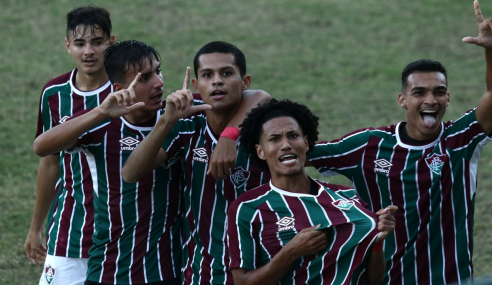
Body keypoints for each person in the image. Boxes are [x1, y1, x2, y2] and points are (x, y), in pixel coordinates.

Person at [33, 40, 269, 285]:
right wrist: (101, 113)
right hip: (108, 266)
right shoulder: (101, 121)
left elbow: (257, 96)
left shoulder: (183, 114)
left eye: (158, 71)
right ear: (120, 87)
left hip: (166, 269)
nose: (159, 83)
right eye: (144, 78)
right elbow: (42, 147)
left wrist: (228, 135)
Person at [307, 1, 492, 283]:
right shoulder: (368, 146)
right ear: (402, 100)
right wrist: (232, 135)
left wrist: (491, 51)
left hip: (450, 279)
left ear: (448, 98)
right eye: (419, 92)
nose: (430, 100)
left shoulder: (460, 140)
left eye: (439, 92)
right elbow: (294, 156)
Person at [122, 41, 271, 285]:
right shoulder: (188, 125)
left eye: (226, 73)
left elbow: (261, 96)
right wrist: (165, 122)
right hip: (203, 272)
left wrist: (228, 137)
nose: (217, 81)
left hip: (262, 268)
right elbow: (131, 173)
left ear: (245, 82)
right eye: (207, 75)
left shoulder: (264, 127)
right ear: (196, 86)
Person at [228, 99, 398, 284]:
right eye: (274, 139)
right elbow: (242, 282)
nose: (286, 145)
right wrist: (291, 251)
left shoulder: (347, 196)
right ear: (260, 151)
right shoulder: (248, 208)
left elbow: (373, 280)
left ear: (306, 142)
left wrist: (378, 242)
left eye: (293, 135)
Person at [25, 6, 114, 285]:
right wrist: (36, 227)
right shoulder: (54, 93)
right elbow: (49, 161)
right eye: (80, 43)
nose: (88, 51)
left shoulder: (128, 91)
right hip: (70, 228)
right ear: (68, 46)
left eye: (97, 42)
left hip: (120, 229)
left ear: (111, 43)